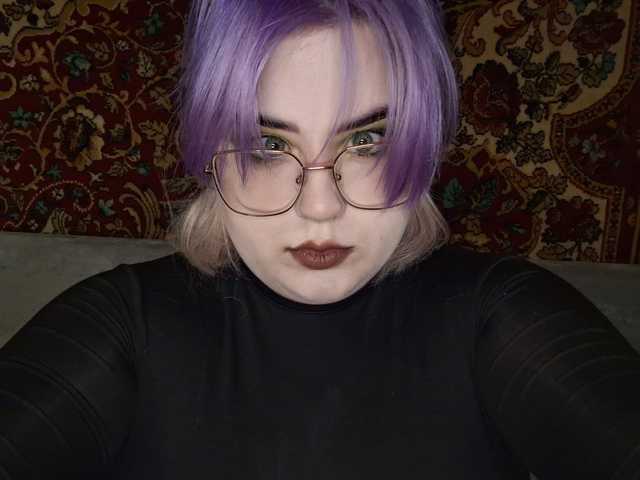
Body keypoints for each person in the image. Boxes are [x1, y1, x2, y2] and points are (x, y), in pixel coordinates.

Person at [1, 0, 639, 478]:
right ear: (208, 153)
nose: (320, 207)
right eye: (266, 144)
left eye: (366, 140)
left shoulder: (504, 315)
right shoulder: (120, 324)